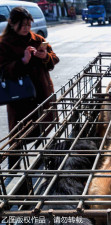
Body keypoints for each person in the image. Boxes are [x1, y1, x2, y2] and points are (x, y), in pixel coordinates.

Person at [0, 7, 59, 169]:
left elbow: (54, 59)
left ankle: (42, 157)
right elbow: (3, 69)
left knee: (43, 124)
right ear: (11, 23)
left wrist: (45, 56)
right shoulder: (4, 43)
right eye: (22, 25)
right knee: (20, 131)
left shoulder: (39, 39)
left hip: (42, 91)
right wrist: (23, 61)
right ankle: (14, 165)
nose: (26, 28)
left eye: (28, 24)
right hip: (20, 96)